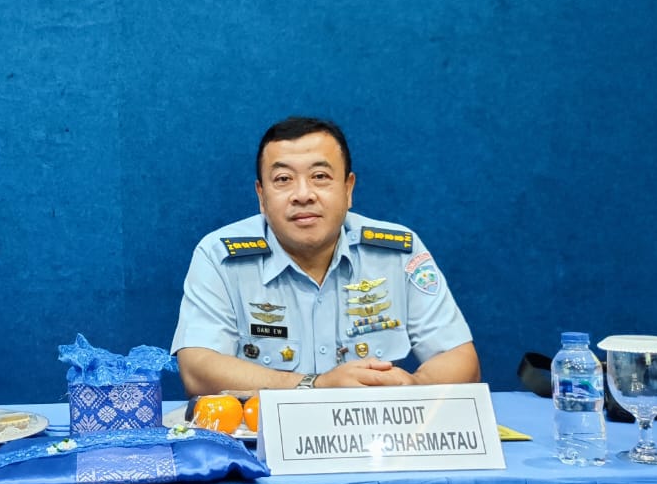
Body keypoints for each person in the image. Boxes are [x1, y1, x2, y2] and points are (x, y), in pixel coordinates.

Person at [171, 116, 479, 395]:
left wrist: (413, 387)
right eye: (283, 179)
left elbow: (459, 358)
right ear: (261, 197)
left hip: (372, 432)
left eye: (320, 176)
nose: (303, 194)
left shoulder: (398, 252)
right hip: (260, 437)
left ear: (348, 189)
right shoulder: (219, 256)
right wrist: (314, 386)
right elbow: (197, 368)